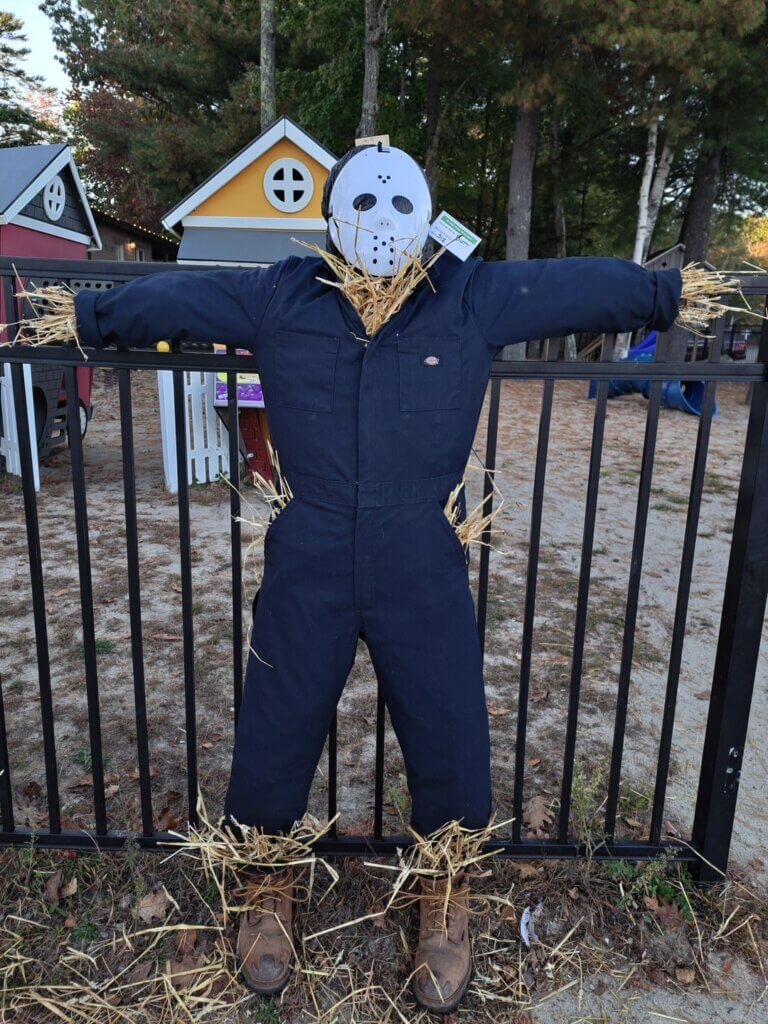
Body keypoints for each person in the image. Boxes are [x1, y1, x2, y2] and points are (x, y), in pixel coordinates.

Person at [71, 142, 681, 1011]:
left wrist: (660, 293)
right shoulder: (283, 293)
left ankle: (444, 890)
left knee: (447, 721)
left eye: (402, 207)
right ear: (330, 219)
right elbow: (182, 295)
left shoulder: (464, 294)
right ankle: (266, 880)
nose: (384, 225)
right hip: (311, 546)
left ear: (427, 219)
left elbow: (566, 284)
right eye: (364, 205)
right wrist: (89, 315)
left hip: (418, 550)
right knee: (280, 716)